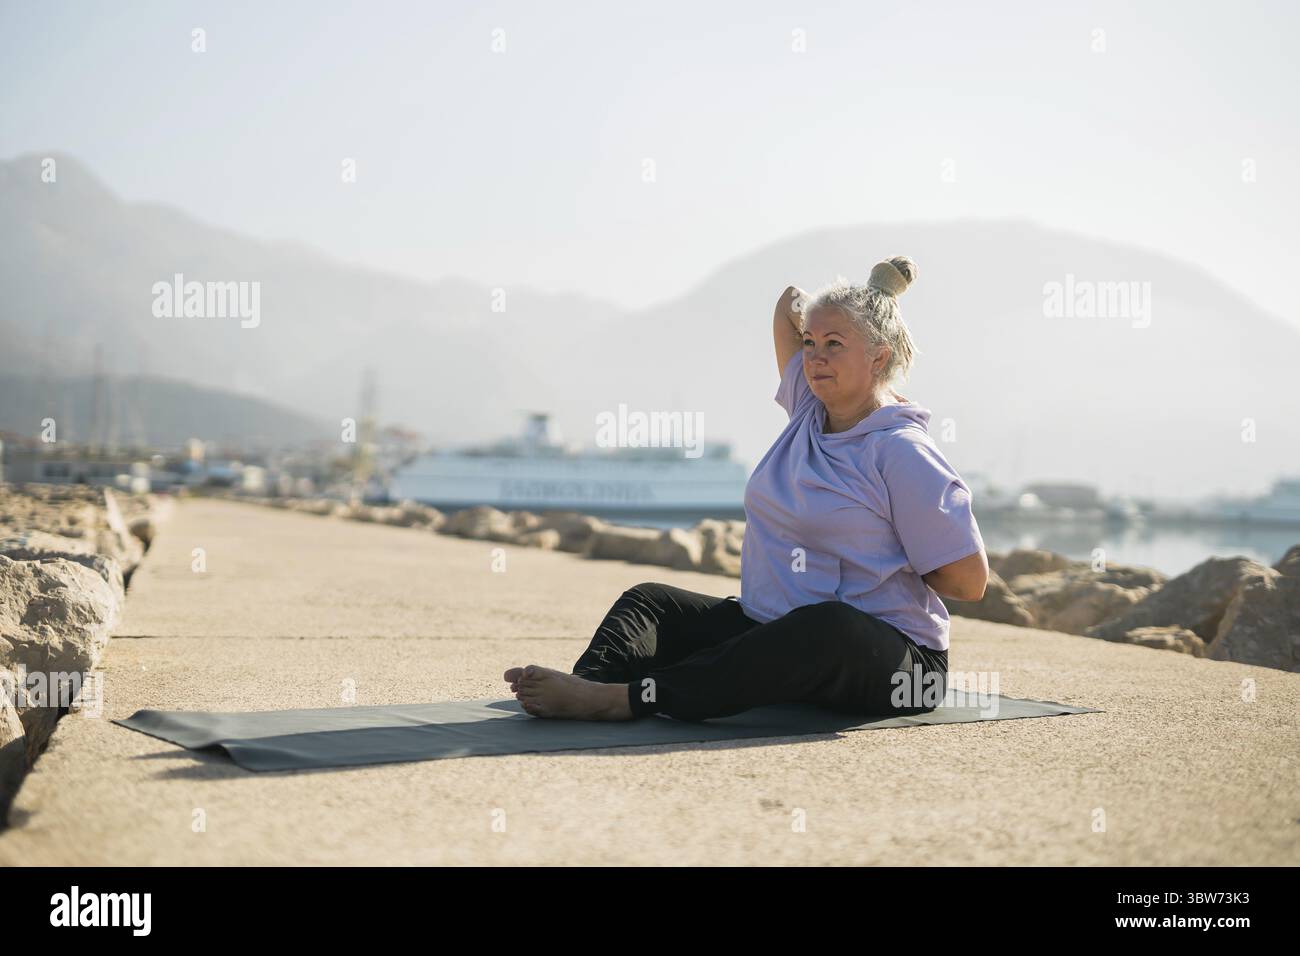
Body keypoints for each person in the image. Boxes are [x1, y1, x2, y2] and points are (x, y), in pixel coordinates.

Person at [504, 256, 988, 721]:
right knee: (650, 601)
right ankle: (590, 686)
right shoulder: (808, 409)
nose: (816, 358)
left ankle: (627, 701)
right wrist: (873, 289)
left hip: (899, 665)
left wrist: (875, 569)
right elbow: (788, 303)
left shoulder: (902, 452)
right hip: (772, 628)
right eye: (810, 343)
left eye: (835, 344)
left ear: (879, 356)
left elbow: (968, 581)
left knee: (826, 624)